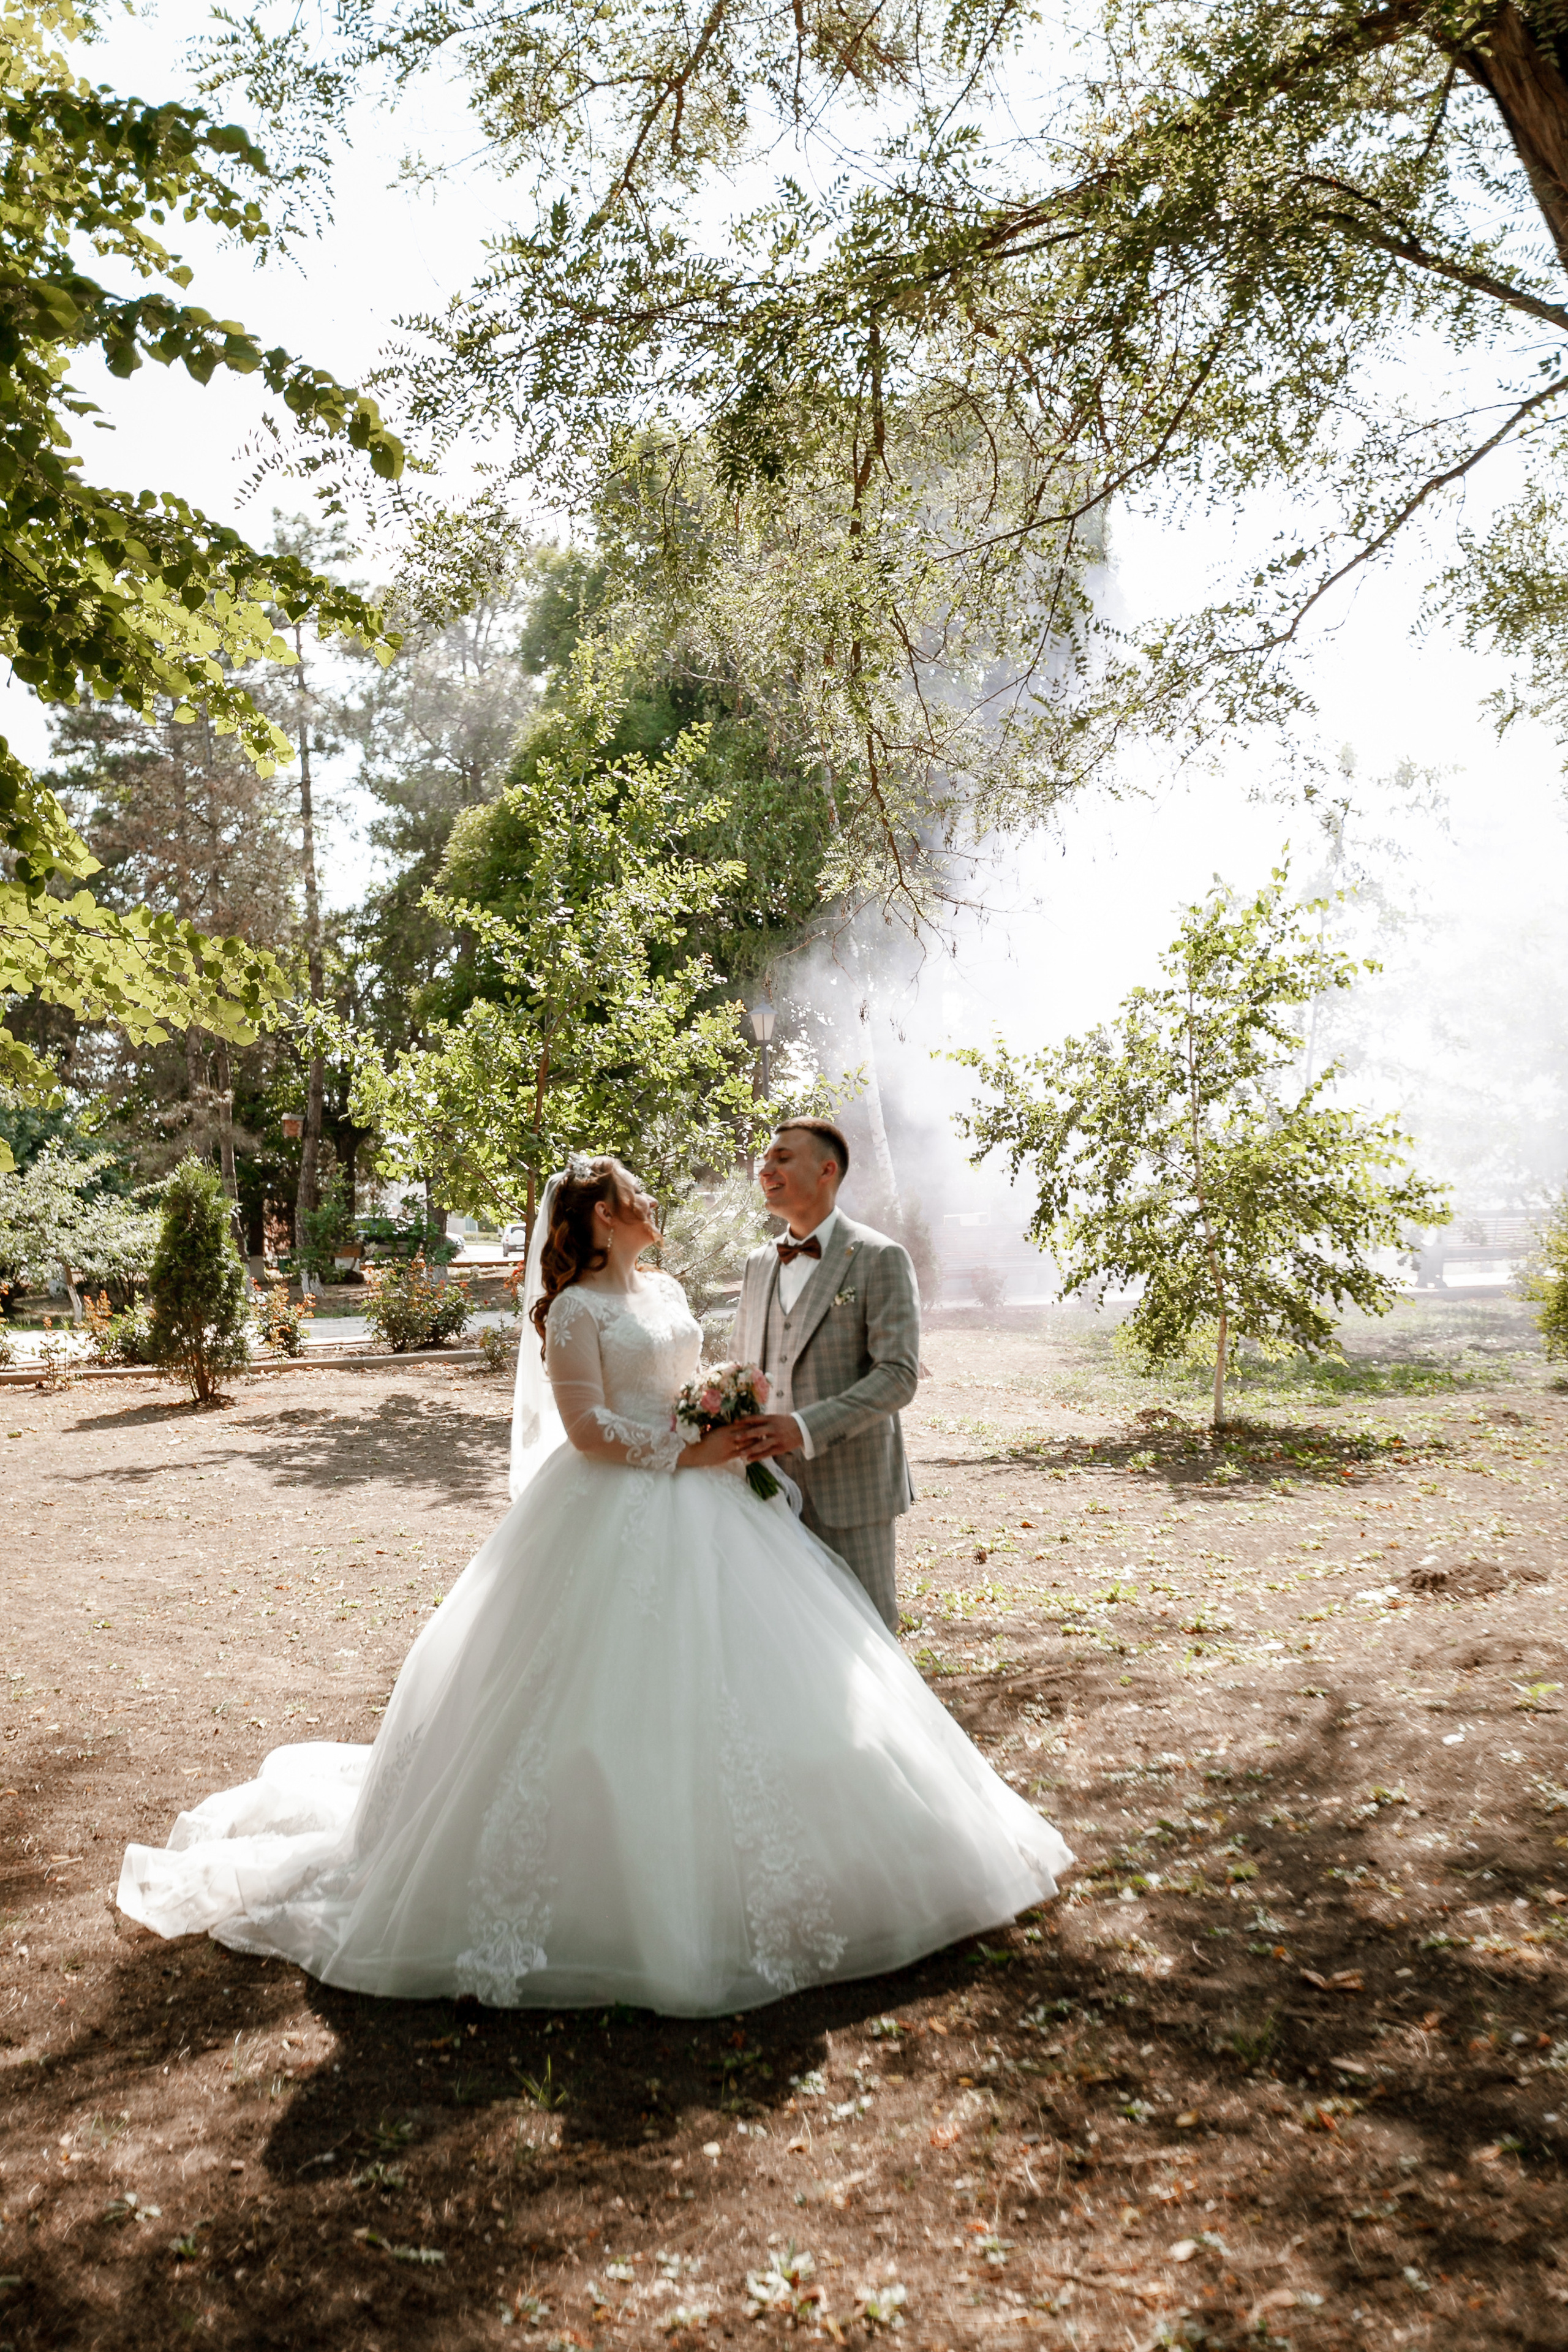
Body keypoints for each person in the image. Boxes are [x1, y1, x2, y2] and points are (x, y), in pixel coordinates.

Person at [118, 1157, 1071, 2016]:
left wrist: (727, 1409)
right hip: (620, 1500)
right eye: (635, 1195)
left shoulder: (661, 1286)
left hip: (715, 1499)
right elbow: (584, 1432)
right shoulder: (573, 1310)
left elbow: (687, 1375)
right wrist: (689, 1449)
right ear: (602, 1218)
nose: (653, 1201)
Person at [731, 1120, 916, 1632]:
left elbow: (899, 1375)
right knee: (785, 1643)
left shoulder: (880, 1258)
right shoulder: (757, 1265)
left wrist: (804, 1428)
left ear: (827, 1169)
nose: (765, 1169)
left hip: (851, 1492)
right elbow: (743, 1369)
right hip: (765, 1493)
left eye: (783, 1159)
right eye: (765, 1161)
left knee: (868, 1638)